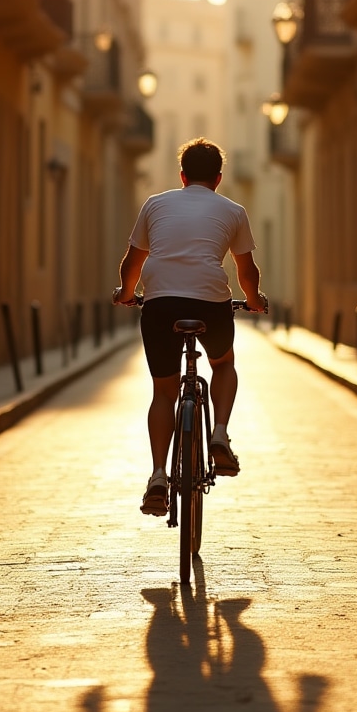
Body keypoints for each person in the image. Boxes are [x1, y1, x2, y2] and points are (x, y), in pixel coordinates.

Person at [113, 138, 267, 516]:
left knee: (163, 392)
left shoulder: (155, 204)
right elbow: (246, 271)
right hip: (210, 302)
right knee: (223, 364)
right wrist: (255, 299)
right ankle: (219, 435)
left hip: (161, 302)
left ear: (182, 175)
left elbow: (132, 262)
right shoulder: (232, 210)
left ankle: (158, 476)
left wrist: (126, 293)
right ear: (217, 178)